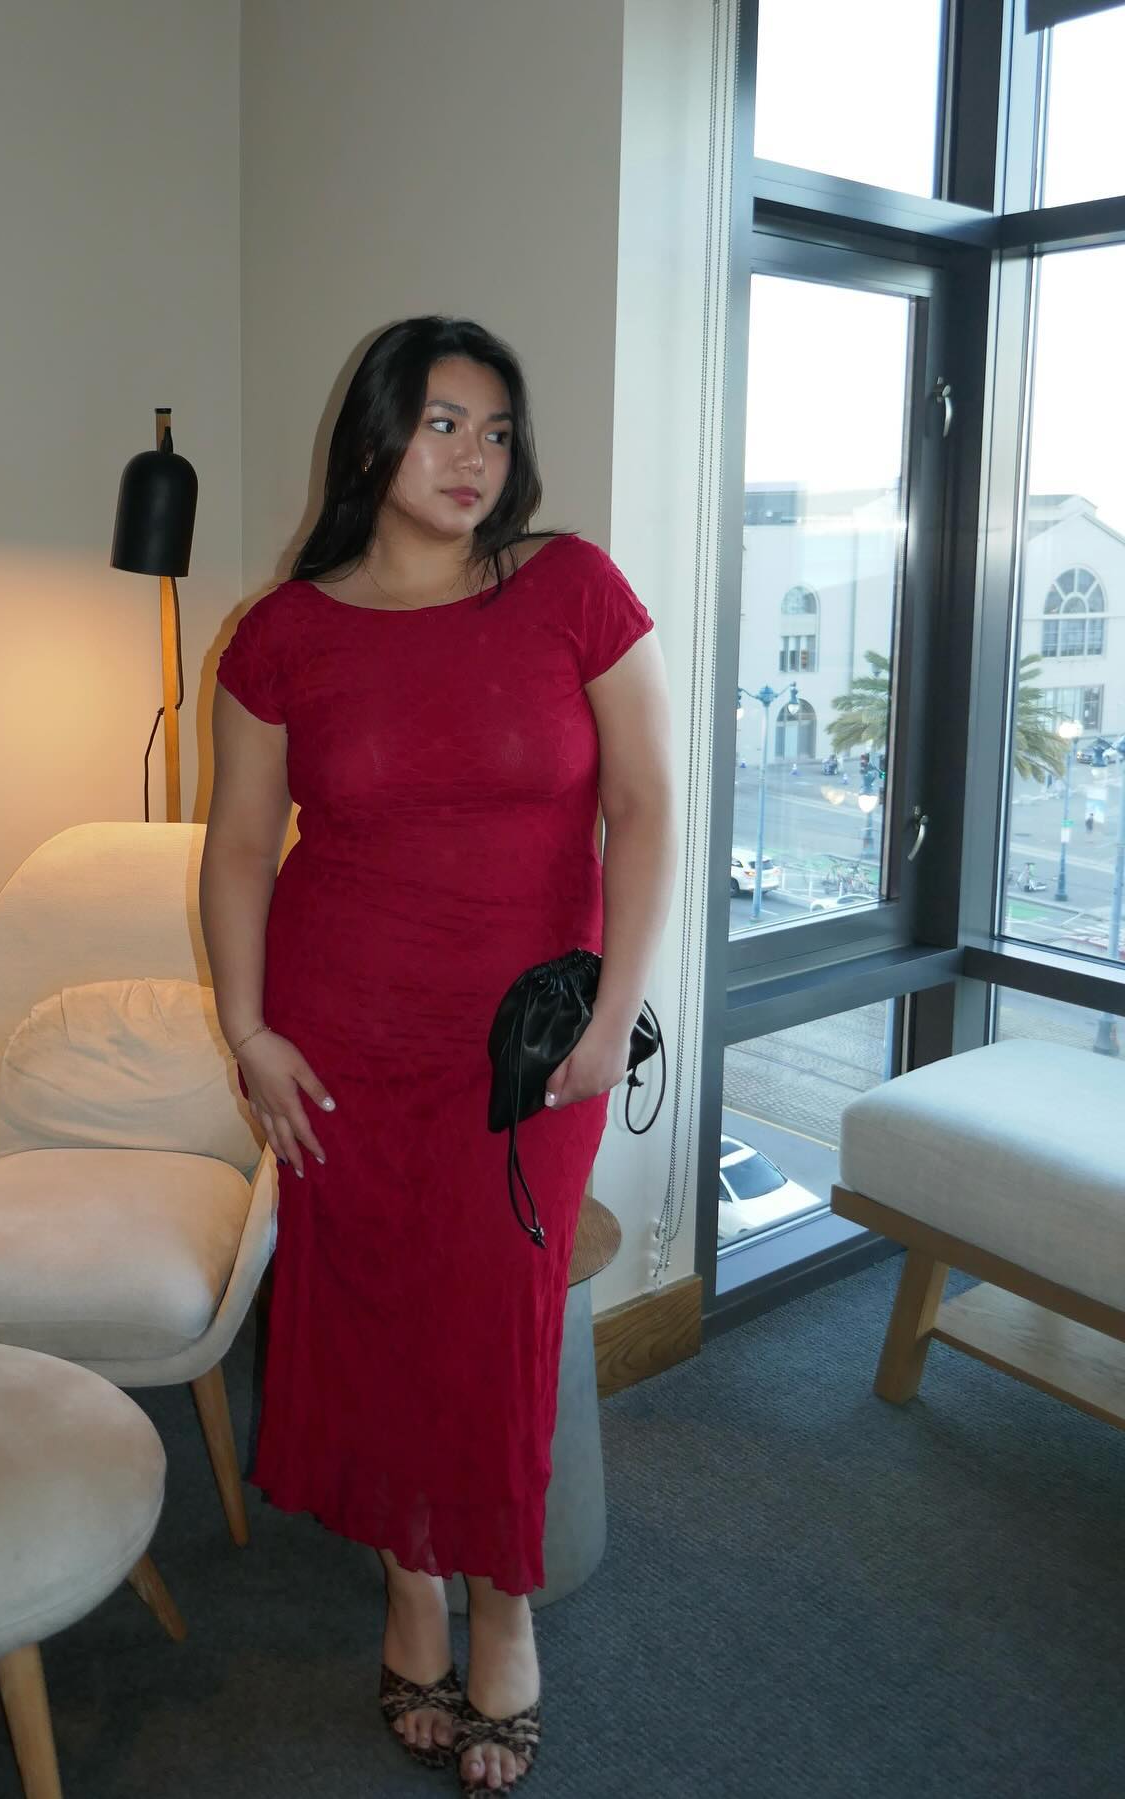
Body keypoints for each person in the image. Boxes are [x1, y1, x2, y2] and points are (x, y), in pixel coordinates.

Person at [201, 315, 677, 1793]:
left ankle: (504, 1603)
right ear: (374, 441)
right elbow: (235, 854)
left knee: (497, 1314)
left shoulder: (573, 590)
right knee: (369, 1304)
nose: (474, 457)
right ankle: (414, 1583)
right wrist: (248, 1031)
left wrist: (613, 1019)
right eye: (441, 425)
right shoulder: (281, 632)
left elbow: (647, 810)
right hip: (341, 1033)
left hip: (529, 1045)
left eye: (493, 430)